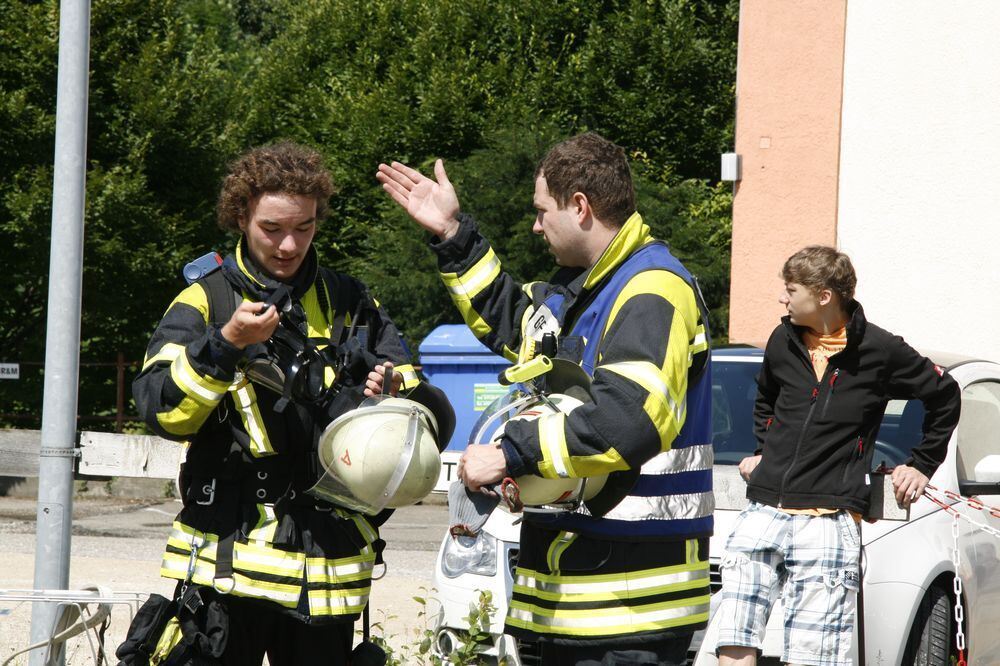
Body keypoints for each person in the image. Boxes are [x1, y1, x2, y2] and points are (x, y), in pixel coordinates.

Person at [377, 132, 714, 665]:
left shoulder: (652, 290)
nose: (535, 226)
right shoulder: (584, 291)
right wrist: (451, 234)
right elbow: (511, 319)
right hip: (576, 601)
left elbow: (627, 420)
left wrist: (510, 453)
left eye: (541, 211)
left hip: (627, 610)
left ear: (579, 206)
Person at [132, 141, 437, 665]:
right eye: (272, 229)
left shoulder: (351, 300)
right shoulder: (206, 300)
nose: (289, 245)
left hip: (328, 578)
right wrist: (225, 344)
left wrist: (389, 394)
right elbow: (161, 411)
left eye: (305, 227)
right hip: (225, 578)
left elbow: (417, 400)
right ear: (240, 217)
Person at [715, 246, 961, 666]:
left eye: (791, 289)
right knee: (734, 636)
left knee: (814, 655)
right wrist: (761, 450)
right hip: (763, 510)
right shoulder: (782, 340)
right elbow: (766, 401)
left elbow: (945, 396)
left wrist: (920, 465)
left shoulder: (881, 350)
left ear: (824, 295)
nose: (783, 298)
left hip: (827, 519)